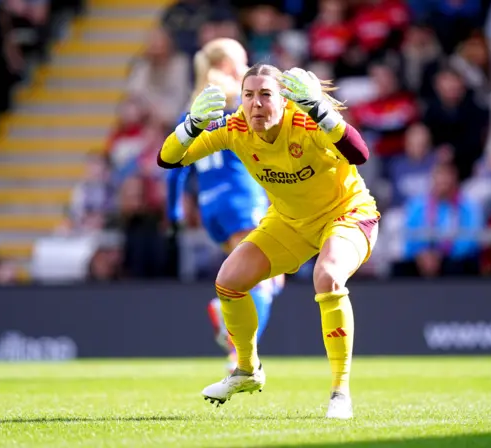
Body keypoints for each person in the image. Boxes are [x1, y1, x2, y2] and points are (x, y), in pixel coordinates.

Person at [158, 63, 380, 419]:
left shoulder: (305, 121)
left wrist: (321, 109)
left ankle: (340, 392)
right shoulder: (236, 128)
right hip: (290, 222)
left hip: (346, 214)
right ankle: (246, 370)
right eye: (248, 95)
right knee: (228, 281)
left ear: (284, 98)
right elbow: (169, 159)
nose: (255, 104)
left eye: (265, 94)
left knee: (327, 277)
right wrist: (190, 126)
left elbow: (359, 153)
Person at [166, 38, 285, 373]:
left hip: (211, 209)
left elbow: (174, 166)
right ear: (231, 65)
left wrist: (174, 212)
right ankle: (238, 349)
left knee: (269, 278)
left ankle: (230, 324)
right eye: (243, 60)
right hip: (243, 199)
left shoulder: (194, 108)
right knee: (263, 281)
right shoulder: (240, 101)